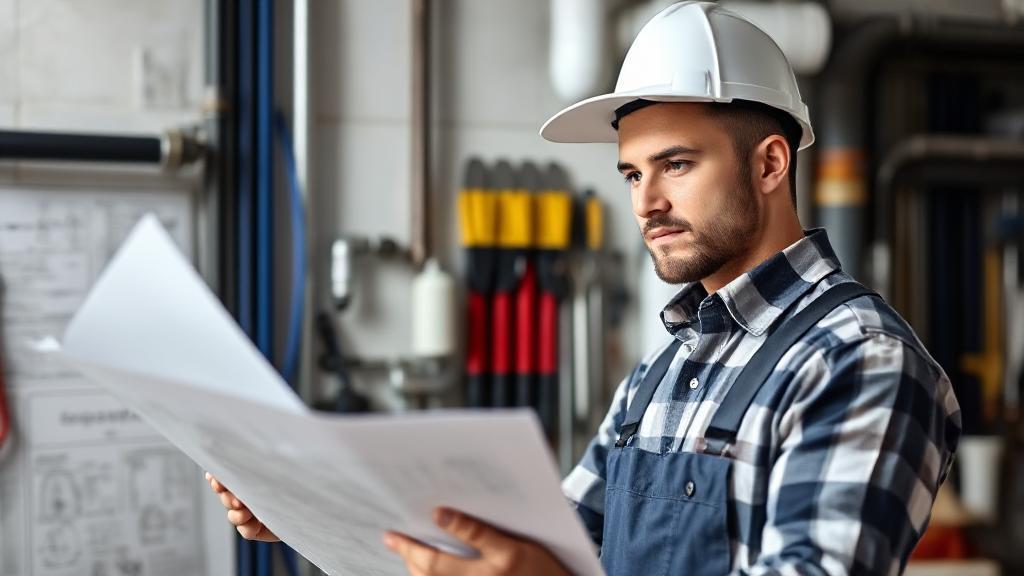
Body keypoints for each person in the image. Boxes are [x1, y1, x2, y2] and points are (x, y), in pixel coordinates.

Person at [210, 2, 961, 574]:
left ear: (769, 165)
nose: (645, 203)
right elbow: (555, 544)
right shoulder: (666, 369)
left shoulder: (859, 362)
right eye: (633, 173)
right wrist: (317, 502)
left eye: (677, 164)